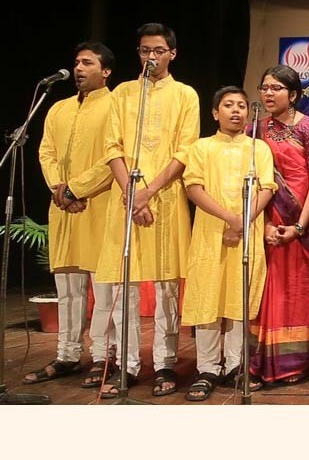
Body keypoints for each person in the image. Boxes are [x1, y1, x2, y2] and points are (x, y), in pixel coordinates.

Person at [95, 23, 200, 398]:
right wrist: (132, 192)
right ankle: (125, 364)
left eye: (157, 50)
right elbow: (112, 147)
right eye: (144, 51)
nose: (150, 57)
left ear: (173, 53)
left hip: (167, 201)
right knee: (125, 288)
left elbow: (185, 151)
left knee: (167, 287)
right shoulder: (123, 93)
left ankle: (165, 363)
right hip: (125, 200)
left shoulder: (186, 95)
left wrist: (149, 192)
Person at [23, 42, 118, 388]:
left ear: (105, 71)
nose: (78, 68)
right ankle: (67, 354)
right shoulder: (58, 109)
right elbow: (45, 151)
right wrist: (58, 188)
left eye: (87, 63)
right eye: (76, 62)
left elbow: (114, 158)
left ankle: (103, 356)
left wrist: (77, 188)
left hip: (99, 204)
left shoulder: (115, 106)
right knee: (67, 286)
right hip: (63, 207)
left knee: (103, 288)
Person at [180, 86, 276, 401]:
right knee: (208, 300)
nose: (236, 111)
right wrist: (230, 219)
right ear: (214, 113)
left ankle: (235, 365)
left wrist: (243, 220)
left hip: (247, 232)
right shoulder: (201, 147)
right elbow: (194, 187)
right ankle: (207, 367)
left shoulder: (258, 148)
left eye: (241, 106)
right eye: (228, 105)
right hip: (210, 234)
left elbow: (267, 187)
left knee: (239, 299)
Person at [249, 65, 309, 386]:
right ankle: (263, 362)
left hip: (303, 223)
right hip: (267, 220)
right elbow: (253, 180)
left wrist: (301, 226)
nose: (268, 93)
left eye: (276, 88)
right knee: (268, 290)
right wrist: (263, 223)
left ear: (292, 95)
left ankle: (296, 362)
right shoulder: (256, 129)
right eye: (264, 87)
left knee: (298, 290)